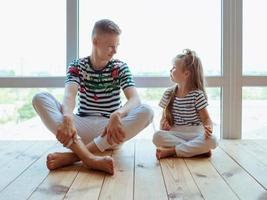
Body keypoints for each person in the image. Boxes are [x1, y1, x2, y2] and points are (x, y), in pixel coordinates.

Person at [32, 19, 154, 174]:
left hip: (109, 131)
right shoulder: (77, 65)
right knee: (40, 98)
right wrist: (68, 117)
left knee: (147, 111)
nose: (114, 51)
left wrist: (118, 114)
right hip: (80, 128)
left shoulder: (120, 67)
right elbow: (70, 94)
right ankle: (90, 159)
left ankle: (73, 157)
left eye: (117, 46)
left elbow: (135, 99)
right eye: (110, 46)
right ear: (95, 41)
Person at [153, 49, 217, 159]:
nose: (170, 69)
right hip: (176, 133)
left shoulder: (197, 95)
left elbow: (206, 119)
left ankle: (172, 151)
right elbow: (163, 121)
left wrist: (208, 128)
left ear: (186, 73)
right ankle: (197, 150)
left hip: (195, 134)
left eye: (173, 67)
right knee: (157, 137)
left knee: (213, 140)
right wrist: (164, 125)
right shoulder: (168, 93)